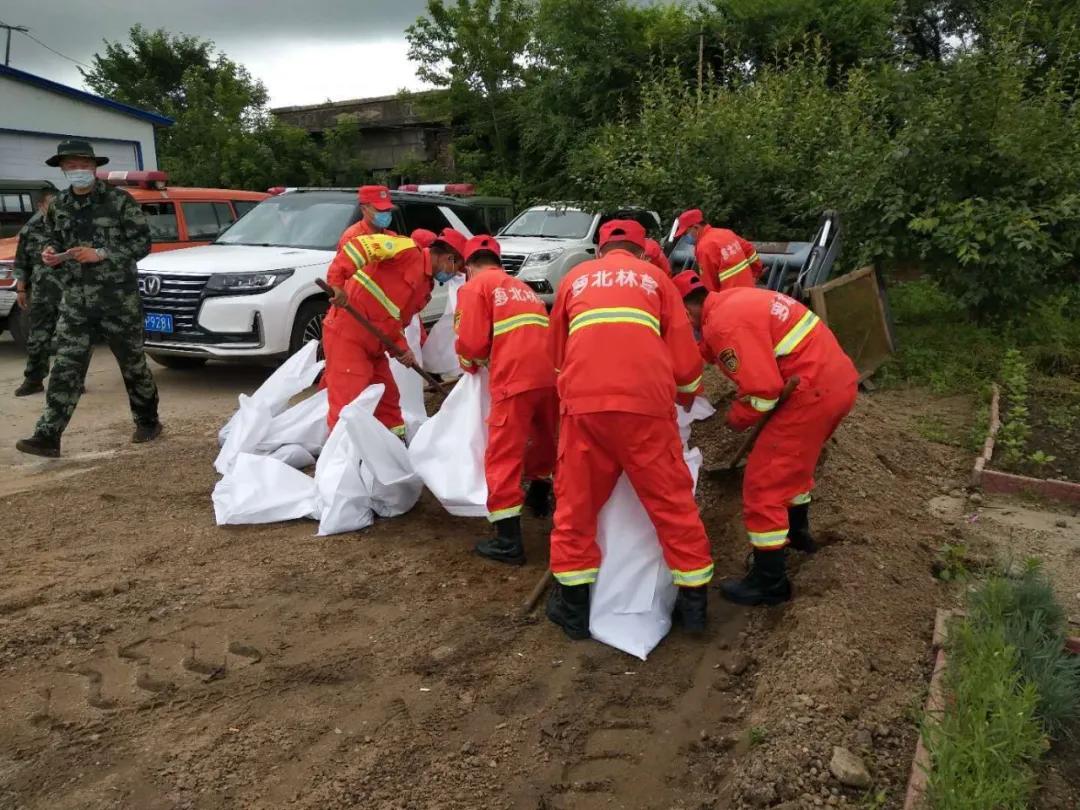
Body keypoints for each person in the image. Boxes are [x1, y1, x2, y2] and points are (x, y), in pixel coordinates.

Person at [546, 220, 714, 640]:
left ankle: (573, 615)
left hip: (585, 408)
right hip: (645, 409)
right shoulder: (656, 279)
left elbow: (557, 354)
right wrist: (688, 395)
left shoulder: (573, 279)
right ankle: (694, 612)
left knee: (575, 508)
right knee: (673, 504)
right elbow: (685, 362)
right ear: (641, 252)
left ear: (600, 251)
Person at [673, 270, 859, 606]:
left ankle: (769, 581)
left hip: (810, 392)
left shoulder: (723, 325)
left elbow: (763, 391)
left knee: (763, 486)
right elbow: (723, 348)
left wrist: (737, 419)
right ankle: (798, 535)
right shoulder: (732, 301)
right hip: (836, 382)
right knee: (794, 469)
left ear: (686, 311)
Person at [16, 140, 161, 458]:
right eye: (70, 166)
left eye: (83, 164)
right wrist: (51, 252)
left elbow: (142, 244)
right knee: (66, 366)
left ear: (94, 167)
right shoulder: (59, 205)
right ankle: (48, 435)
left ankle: (148, 421)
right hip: (76, 302)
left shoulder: (119, 201)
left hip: (118, 301)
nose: (77, 170)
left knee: (133, 365)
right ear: (62, 170)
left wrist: (101, 254)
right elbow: (54, 237)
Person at [453, 235, 558, 565]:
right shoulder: (522, 287)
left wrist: (469, 363)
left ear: (469, 266)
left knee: (502, 455)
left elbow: (470, 343)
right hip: (550, 375)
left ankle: (508, 540)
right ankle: (541, 496)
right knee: (547, 439)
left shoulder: (474, 288)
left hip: (514, 379)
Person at [322, 200, 428, 435]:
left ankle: (393, 451)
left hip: (376, 339)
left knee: (387, 397)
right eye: (380, 210)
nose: (385, 215)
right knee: (349, 400)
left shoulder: (421, 280)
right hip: (351, 328)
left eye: (388, 211)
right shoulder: (392, 245)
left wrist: (400, 348)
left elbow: (392, 316)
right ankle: (343, 462)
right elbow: (348, 259)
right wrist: (337, 286)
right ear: (365, 209)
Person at [13, 184, 58, 396]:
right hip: (41, 293)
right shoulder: (30, 230)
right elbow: (22, 260)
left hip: (70, 293)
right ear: (41, 206)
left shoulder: (68, 227)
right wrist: (21, 289)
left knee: (73, 340)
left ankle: (72, 381)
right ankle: (34, 380)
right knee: (38, 337)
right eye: (52, 205)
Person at [673, 209, 763, 291]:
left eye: (685, 233)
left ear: (696, 227)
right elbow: (749, 250)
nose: (684, 237)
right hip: (749, 291)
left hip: (729, 299)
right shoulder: (725, 233)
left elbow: (710, 286)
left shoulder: (704, 247)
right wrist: (755, 273)